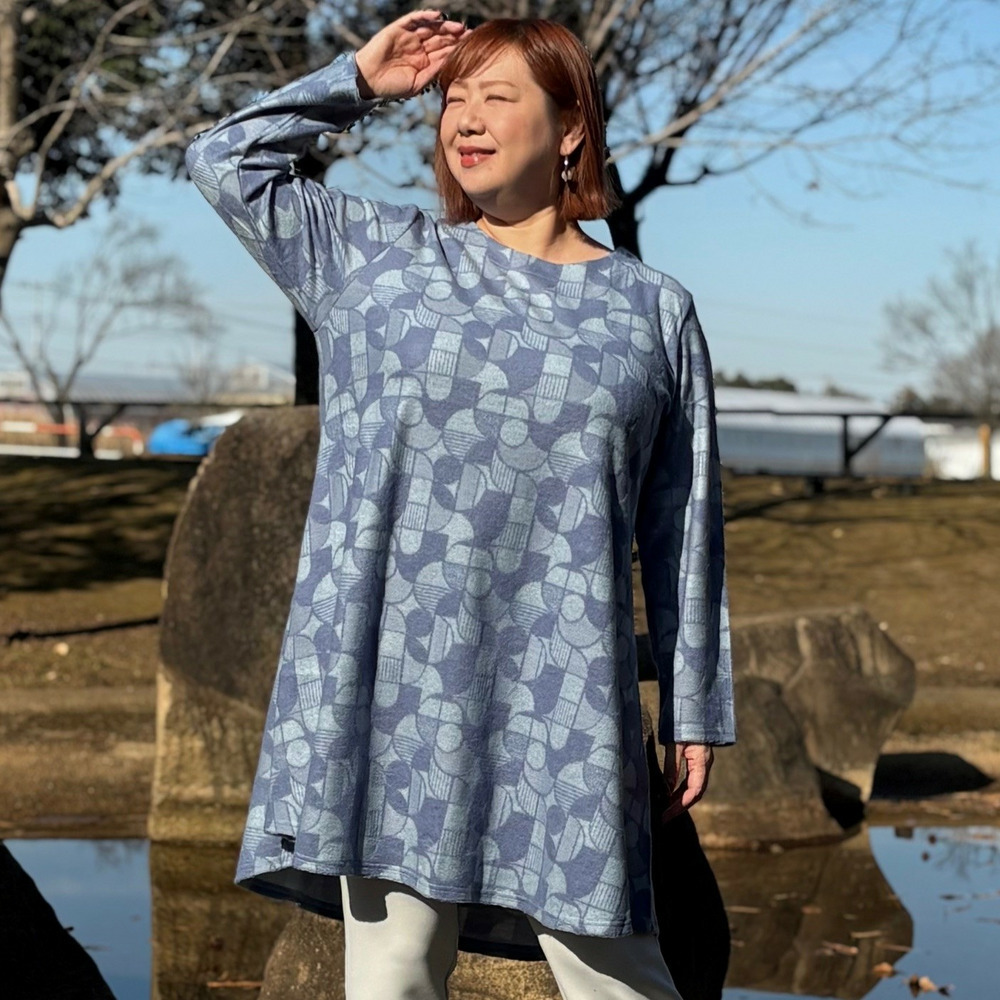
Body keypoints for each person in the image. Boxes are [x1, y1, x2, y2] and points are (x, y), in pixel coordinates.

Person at [185, 8, 736, 999]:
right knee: (393, 972)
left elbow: (682, 523)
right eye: (453, 99)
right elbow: (224, 160)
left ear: (570, 127)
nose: (465, 119)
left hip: (566, 692)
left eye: (498, 97)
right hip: (388, 684)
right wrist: (358, 80)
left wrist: (691, 700)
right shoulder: (374, 265)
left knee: (617, 974)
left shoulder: (651, 310)